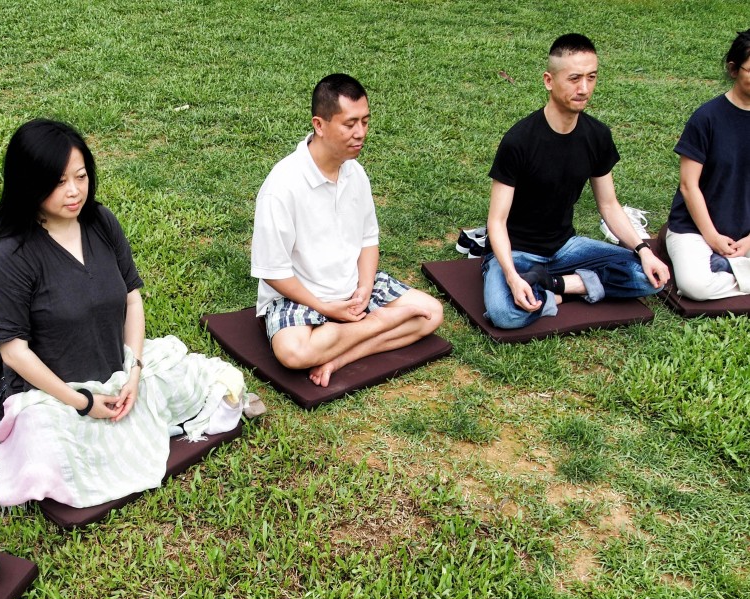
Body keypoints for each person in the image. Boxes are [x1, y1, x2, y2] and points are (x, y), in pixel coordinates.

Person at [0, 119, 244, 508]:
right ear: (28, 184)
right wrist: (82, 402)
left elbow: (132, 300)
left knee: (220, 391)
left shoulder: (100, 222)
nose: (74, 192)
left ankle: (136, 417)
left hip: (119, 370)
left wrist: (134, 372)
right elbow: (14, 351)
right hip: (55, 393)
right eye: (57, 182)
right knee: (45, 460)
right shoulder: (10, 256)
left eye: (81, 176)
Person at [250, 73, 443, 387]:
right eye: (350, 124)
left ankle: (340, 356)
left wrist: (365, 288)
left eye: (365, 122)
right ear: (319, 125)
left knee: (432, 313)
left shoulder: (356, 174)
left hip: (352, 289)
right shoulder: (281, 186)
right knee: (293, 353)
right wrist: (326, 307)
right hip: (302, 296)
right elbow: (273, 272)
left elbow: (368, 239)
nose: (360, 133)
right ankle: (382, 323)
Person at [482, 34, 670, 329]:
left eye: (591, 77)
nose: (584, 89)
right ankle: (564, 286)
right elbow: (496, 221)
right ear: (548, 80)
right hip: (517, 253)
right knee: (505, 313)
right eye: (574, 79)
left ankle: (556, 286)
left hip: (566, 249)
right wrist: (510, 275)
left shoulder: (597, 136)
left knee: (650, 275)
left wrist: (644, 250)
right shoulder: (519, 141)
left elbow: (608, 206)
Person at [664, 30, 750, 300]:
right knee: (695, 286)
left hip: (747, 233)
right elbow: (689, 186)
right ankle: (736, 271)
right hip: (696, 229)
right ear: (733, 69)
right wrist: (712, 237)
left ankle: (729, 270)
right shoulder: (707, 118)